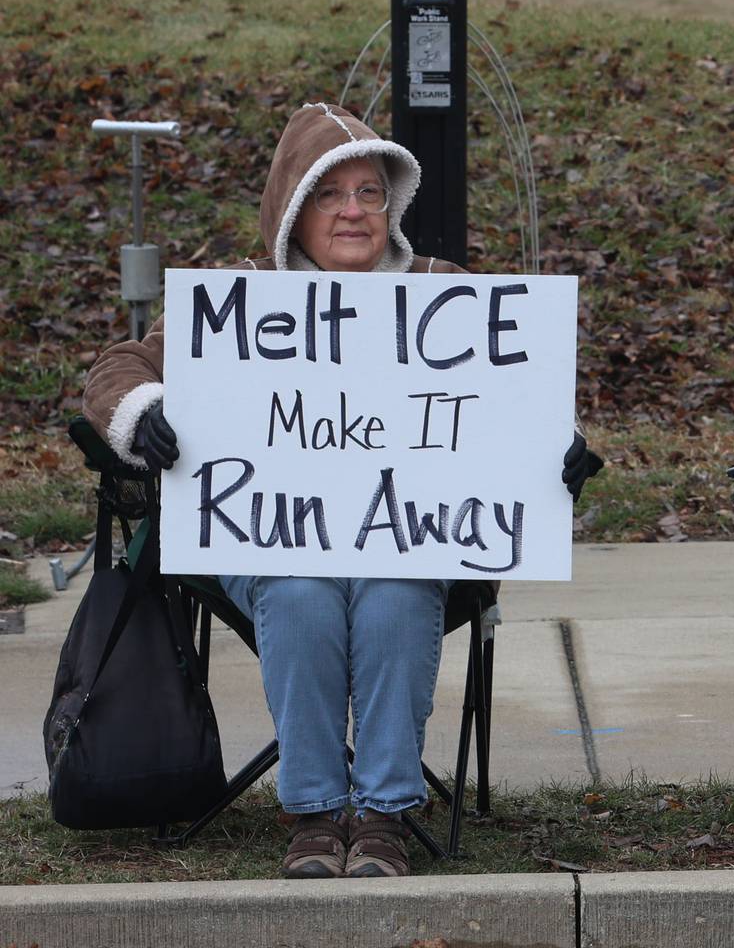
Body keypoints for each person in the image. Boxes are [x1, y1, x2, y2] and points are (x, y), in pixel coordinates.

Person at [81, 102, 602, 879]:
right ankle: (317, 813)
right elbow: (116, 369)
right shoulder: (241, 296)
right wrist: (142, 412)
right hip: (271, 543)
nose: (353, 211)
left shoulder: (443, 291)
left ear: (392, 203)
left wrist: (556, 451)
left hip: (415, 541)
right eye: (331, 194)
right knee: (299, 593)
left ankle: (386, 814)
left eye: (369, 192)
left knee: (393, 590)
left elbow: (520, 400)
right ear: (293, 205)